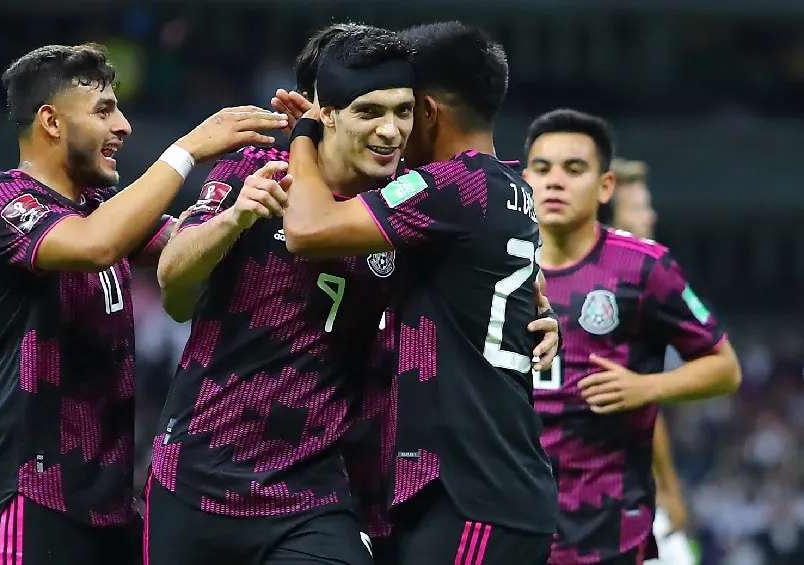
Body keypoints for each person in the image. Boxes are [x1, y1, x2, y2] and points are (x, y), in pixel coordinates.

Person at [0, 42, 287, 565]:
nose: (124, 126)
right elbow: (94, 245)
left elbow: (185, 247)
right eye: (104, 110)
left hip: (109, 507)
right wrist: (186, 152)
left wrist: (241, 207)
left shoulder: (98, 207)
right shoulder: (0, 203)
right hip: (27, 499)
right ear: (51, 121)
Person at [283, 21, 561, 565]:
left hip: (472, 492)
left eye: (405, 110)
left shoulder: (450, 187)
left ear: (428, 112)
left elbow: (308, 230)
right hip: (494, 487)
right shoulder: (508, 187)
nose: (393, 129)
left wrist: (306, 139)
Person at [145, 25, 417, 565]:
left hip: (314, 491)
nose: (391, 131)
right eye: (370, 112)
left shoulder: (409, 200)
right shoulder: (251, 172)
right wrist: (235, 219)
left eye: (402, 112)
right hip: (197, 475)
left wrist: (540, 309)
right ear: (327, 113)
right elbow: (175, 292)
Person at [522, 108, 741, 565]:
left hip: (610, 528)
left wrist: (646, 386)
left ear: (605, 187)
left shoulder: (643, 267)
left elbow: (725, 368)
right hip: (513, 519)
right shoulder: (493, 264)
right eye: (542, 169)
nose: (554, 181)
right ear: (525, 179)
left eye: (574, 168)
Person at [609, 158, 694, 565]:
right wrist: (671, 491)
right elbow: (641, 399)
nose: (651, 215)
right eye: (640, 206)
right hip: (611, 494)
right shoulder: (623, 288)